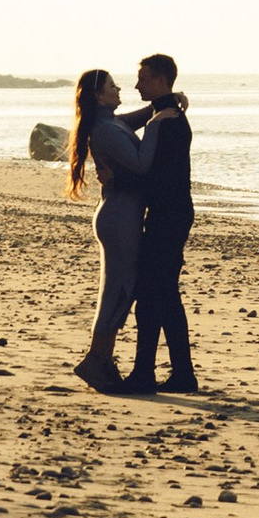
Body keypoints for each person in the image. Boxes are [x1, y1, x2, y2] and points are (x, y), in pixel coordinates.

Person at [66, 65, 154, 390]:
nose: (120, 90)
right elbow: (142, 163)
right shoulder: (104, 130)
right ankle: (96, 360)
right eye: (113, 87)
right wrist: (158, 127)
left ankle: (101, 359)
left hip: (119, 214)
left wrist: (164, 105)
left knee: (120, 289)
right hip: (119, 218)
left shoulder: (110, 123)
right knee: (118, 289)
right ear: (98, 95)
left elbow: (134, 120)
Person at [118, 54, 196, 394]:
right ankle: (175, 373)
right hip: (170, 213)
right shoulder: (164, 113)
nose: (137, 85)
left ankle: (149, 373)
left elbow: (157, 176)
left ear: (162, 80)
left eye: (144, 79)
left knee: (154, 295)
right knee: (161, 295)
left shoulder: (167, 121)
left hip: (170, 215)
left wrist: (118, 181)